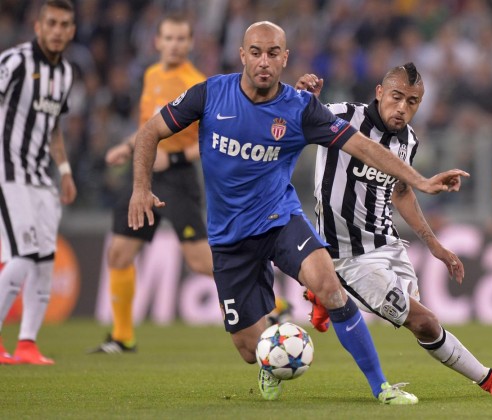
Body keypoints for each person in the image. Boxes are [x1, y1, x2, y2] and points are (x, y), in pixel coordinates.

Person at [128, 21, 468, 403]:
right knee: (248, 349)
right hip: (229, 237)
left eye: (273, 53)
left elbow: (363, 147)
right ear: (242, 55)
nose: (264, 61)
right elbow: (150, 131)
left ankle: (381, 387)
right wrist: (141, 188)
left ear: (285, 58)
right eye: (256, 52)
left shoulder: (301, 109)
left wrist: (419, 180)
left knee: (330, 288)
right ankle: (269, 359)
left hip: (280, 220)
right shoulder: (210, 94)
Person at [297, 64, 492, 398]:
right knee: (424, 321)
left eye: (412, 102)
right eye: (396, 97)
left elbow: (401, 192)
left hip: (387, 244)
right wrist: (302, 99)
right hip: (349, 257)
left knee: (418, 316)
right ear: (379, 93)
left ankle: (324, 291)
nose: (402, 108)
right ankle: (489, 379)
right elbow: (293, 120)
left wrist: (434, 245)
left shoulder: (409, 140)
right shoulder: (341, 115)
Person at [87, 14, 213, 354]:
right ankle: (122, 337)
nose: (174, 45)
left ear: (190, 43)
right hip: (144, 175)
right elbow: (149, 128)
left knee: (200, 262)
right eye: (168, 38)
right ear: (157, 41)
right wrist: (127, 146)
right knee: (119, 253)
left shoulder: (197, 84)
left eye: (181, 38)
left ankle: (273, 303)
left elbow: (210, 141)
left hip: (178, 178)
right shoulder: (151, 75)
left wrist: (174, 158)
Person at [0, 0, 77, 365]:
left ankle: (27, 344)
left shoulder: (66, 74)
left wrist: (64, 170)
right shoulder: (15, 62)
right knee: (22, 256)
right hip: (8, 172)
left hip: (41, 177)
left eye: (64, 24)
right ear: (38, 26)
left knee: (45, 261)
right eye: (52, 23)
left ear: (71, 31)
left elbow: (53, 127)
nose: (57, 30)